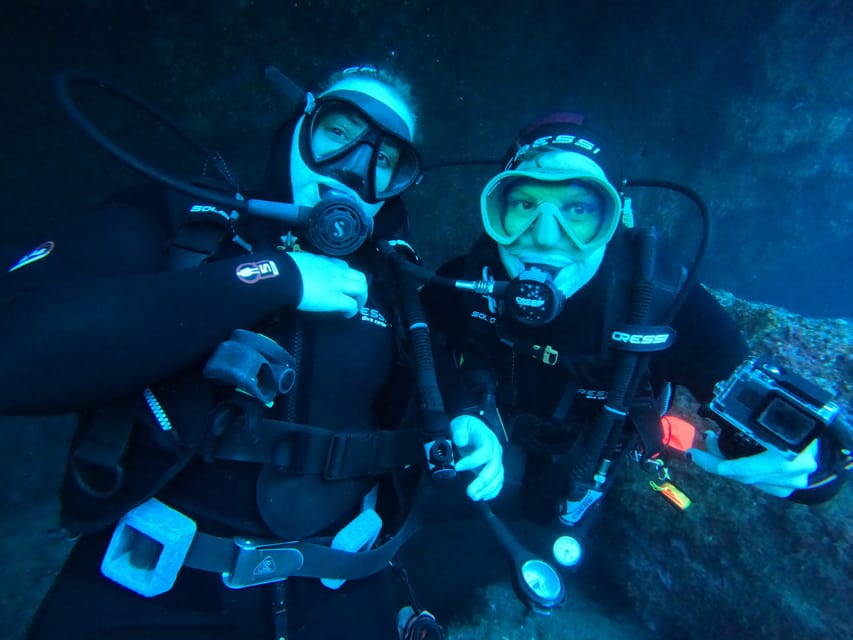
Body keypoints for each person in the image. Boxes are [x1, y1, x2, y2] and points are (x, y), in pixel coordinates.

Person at [0, 65, 503, 640]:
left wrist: (470, 417)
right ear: (296, 125)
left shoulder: (393, 287)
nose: (355, 170)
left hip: (343, 588)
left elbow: (433, 379)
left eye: (386, 160)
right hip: (148, 584)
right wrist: (270, 277)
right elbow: (15, 348)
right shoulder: (179, 226)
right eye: (339, 132)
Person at [422, 111, 851, 541]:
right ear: (496, 213)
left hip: (591, 440)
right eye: (525, 205)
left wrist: (813, 466)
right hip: (493, 418)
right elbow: (413, 342)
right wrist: (461, 408)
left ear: (615, 220)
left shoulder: (660, 301)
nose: (546, 237)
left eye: (579, 209)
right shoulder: (465, 279)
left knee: (544, 514)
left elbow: (758, 398)